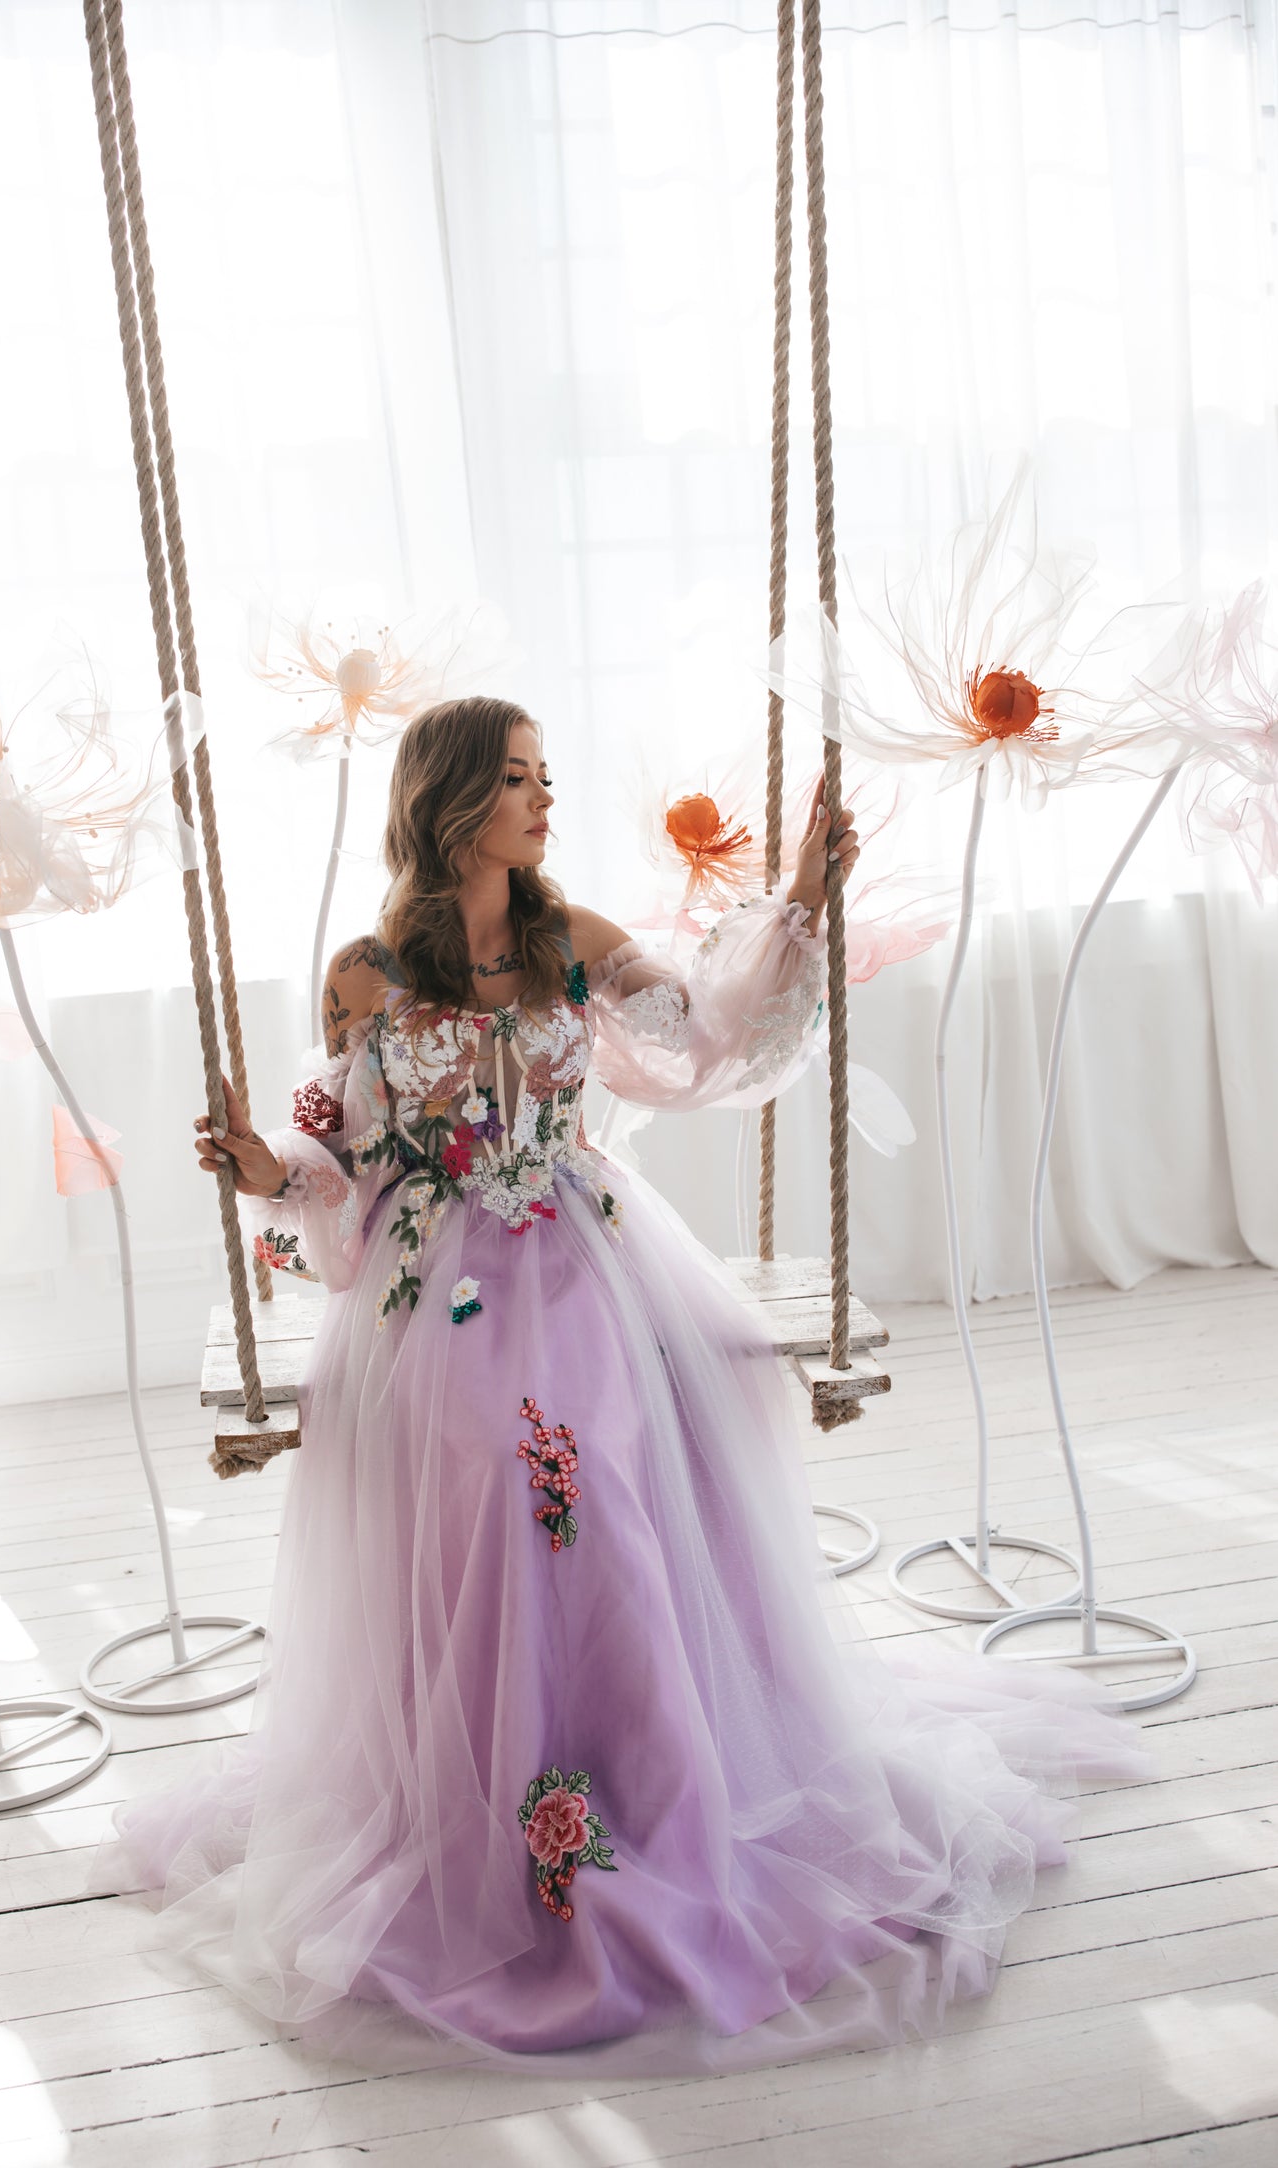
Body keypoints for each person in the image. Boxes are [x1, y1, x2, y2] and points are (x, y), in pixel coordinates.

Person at [86, 694, 1155, 2076]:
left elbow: (715, 1037)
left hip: (577, 1258)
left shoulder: (573, 944)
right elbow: (344, 1172)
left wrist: (797, 912)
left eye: (547, 773)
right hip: (430, 1283)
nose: (543, 800)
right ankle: (494, 1803)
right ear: (448, 799)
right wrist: (258, 1171)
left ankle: (648, 1780)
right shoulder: (363, 973)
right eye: (518, 778)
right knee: (482, 1459)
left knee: (573, 1457)